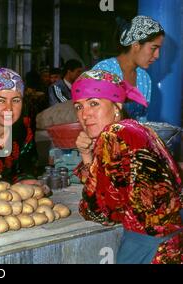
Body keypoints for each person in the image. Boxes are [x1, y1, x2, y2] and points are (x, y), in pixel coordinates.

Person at [72, 70, 182, 264]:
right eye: (78, 106)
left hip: (151, 249)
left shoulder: (114, 134)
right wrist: (87, 153)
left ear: (117, 106)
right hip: (171, 244)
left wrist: (86, 203)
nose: (84, 114)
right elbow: (106, 185)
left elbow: (99, 210)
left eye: (94, 103)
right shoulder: (140, 130)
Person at [92, 15, 165, 122]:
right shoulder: (104, 71)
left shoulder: (144, 78)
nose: (157, 55)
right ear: (136, 45)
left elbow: (142, 121)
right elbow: (93, 115)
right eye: (153, 48)